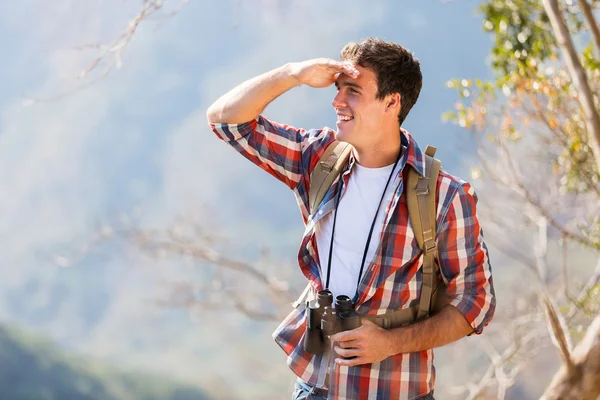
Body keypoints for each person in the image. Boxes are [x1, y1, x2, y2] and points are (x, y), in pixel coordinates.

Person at [206, 37, 495, 400]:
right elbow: (226, 121)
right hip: (315, 386)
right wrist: (292, 73)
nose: (337, 101)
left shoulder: (445, 196)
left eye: (353, 91)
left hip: (396, 390)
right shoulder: (318, 158)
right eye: (339, 89)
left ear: (392, 102)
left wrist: (390, 342)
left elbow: (476, 302)